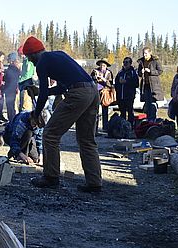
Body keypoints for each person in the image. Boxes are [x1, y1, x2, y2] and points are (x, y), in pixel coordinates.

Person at [22, 36, 102, 193]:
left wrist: (36, 114)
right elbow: (61, 88)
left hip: (78, 94)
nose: (30, 62)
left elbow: (44, 94)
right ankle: (94, 183)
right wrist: (39, 91)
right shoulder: (59, 55)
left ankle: (51, 177)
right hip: (92, 91)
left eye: (29, 58)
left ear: (33, 54)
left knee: (50, 134)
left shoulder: (42, 62)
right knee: (87, 140)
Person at [137, 47, 163, 121]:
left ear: (150, 53)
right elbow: (139, 73)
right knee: (147, 103)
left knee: (153, 102)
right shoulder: (141, 62)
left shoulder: (155, 61)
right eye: (143, 53)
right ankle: (147, 119)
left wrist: (150, 71)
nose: (144, 55)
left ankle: (153, 119)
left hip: (154, 86)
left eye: (146, 53)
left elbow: (160, 71)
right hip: (145, 85)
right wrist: (141, 72)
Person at [91, 59, 114, 132]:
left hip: (105, 93)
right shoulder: (95, 71)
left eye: (104, 65)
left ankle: (105, 128)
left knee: (105, 110)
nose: (102, 67)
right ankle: (95, 129)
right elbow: (91, 80)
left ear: (106, 66)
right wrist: (96, 78)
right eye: (101, 65)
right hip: (96, 92)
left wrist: (103, 79)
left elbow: (110, 84)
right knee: (95, 110)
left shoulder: (109, 73)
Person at [114, 57, 139, 123]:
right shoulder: (120, 72)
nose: (125, 64)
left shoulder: (133, 73)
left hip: (129, 96)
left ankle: (131, 126)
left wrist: (126, 82)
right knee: (122, 113)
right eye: (124, 62)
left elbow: (136, 84)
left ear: (130, 63)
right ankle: (122, 126)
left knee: (130, 112)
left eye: (127, 62)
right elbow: (116, 83)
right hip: (120, 97)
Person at [3, 52, 21, 122]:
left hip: (9, 89)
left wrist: (4, 76)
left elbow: (8, 78)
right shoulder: (16, 69)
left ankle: (11, 120)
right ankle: (12, 120)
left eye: (9, 59)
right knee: (12, 105)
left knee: (10, 106)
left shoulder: (11, 68)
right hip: (12, 89)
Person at [18, 45, 36, 111]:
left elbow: (27, 74)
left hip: (26, 85)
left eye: (20, 54)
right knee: (23, 104)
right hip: (24, 85)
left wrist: (19, 81)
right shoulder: (25, 61)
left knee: (26, 105)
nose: (20, 56)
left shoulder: (28, 61)